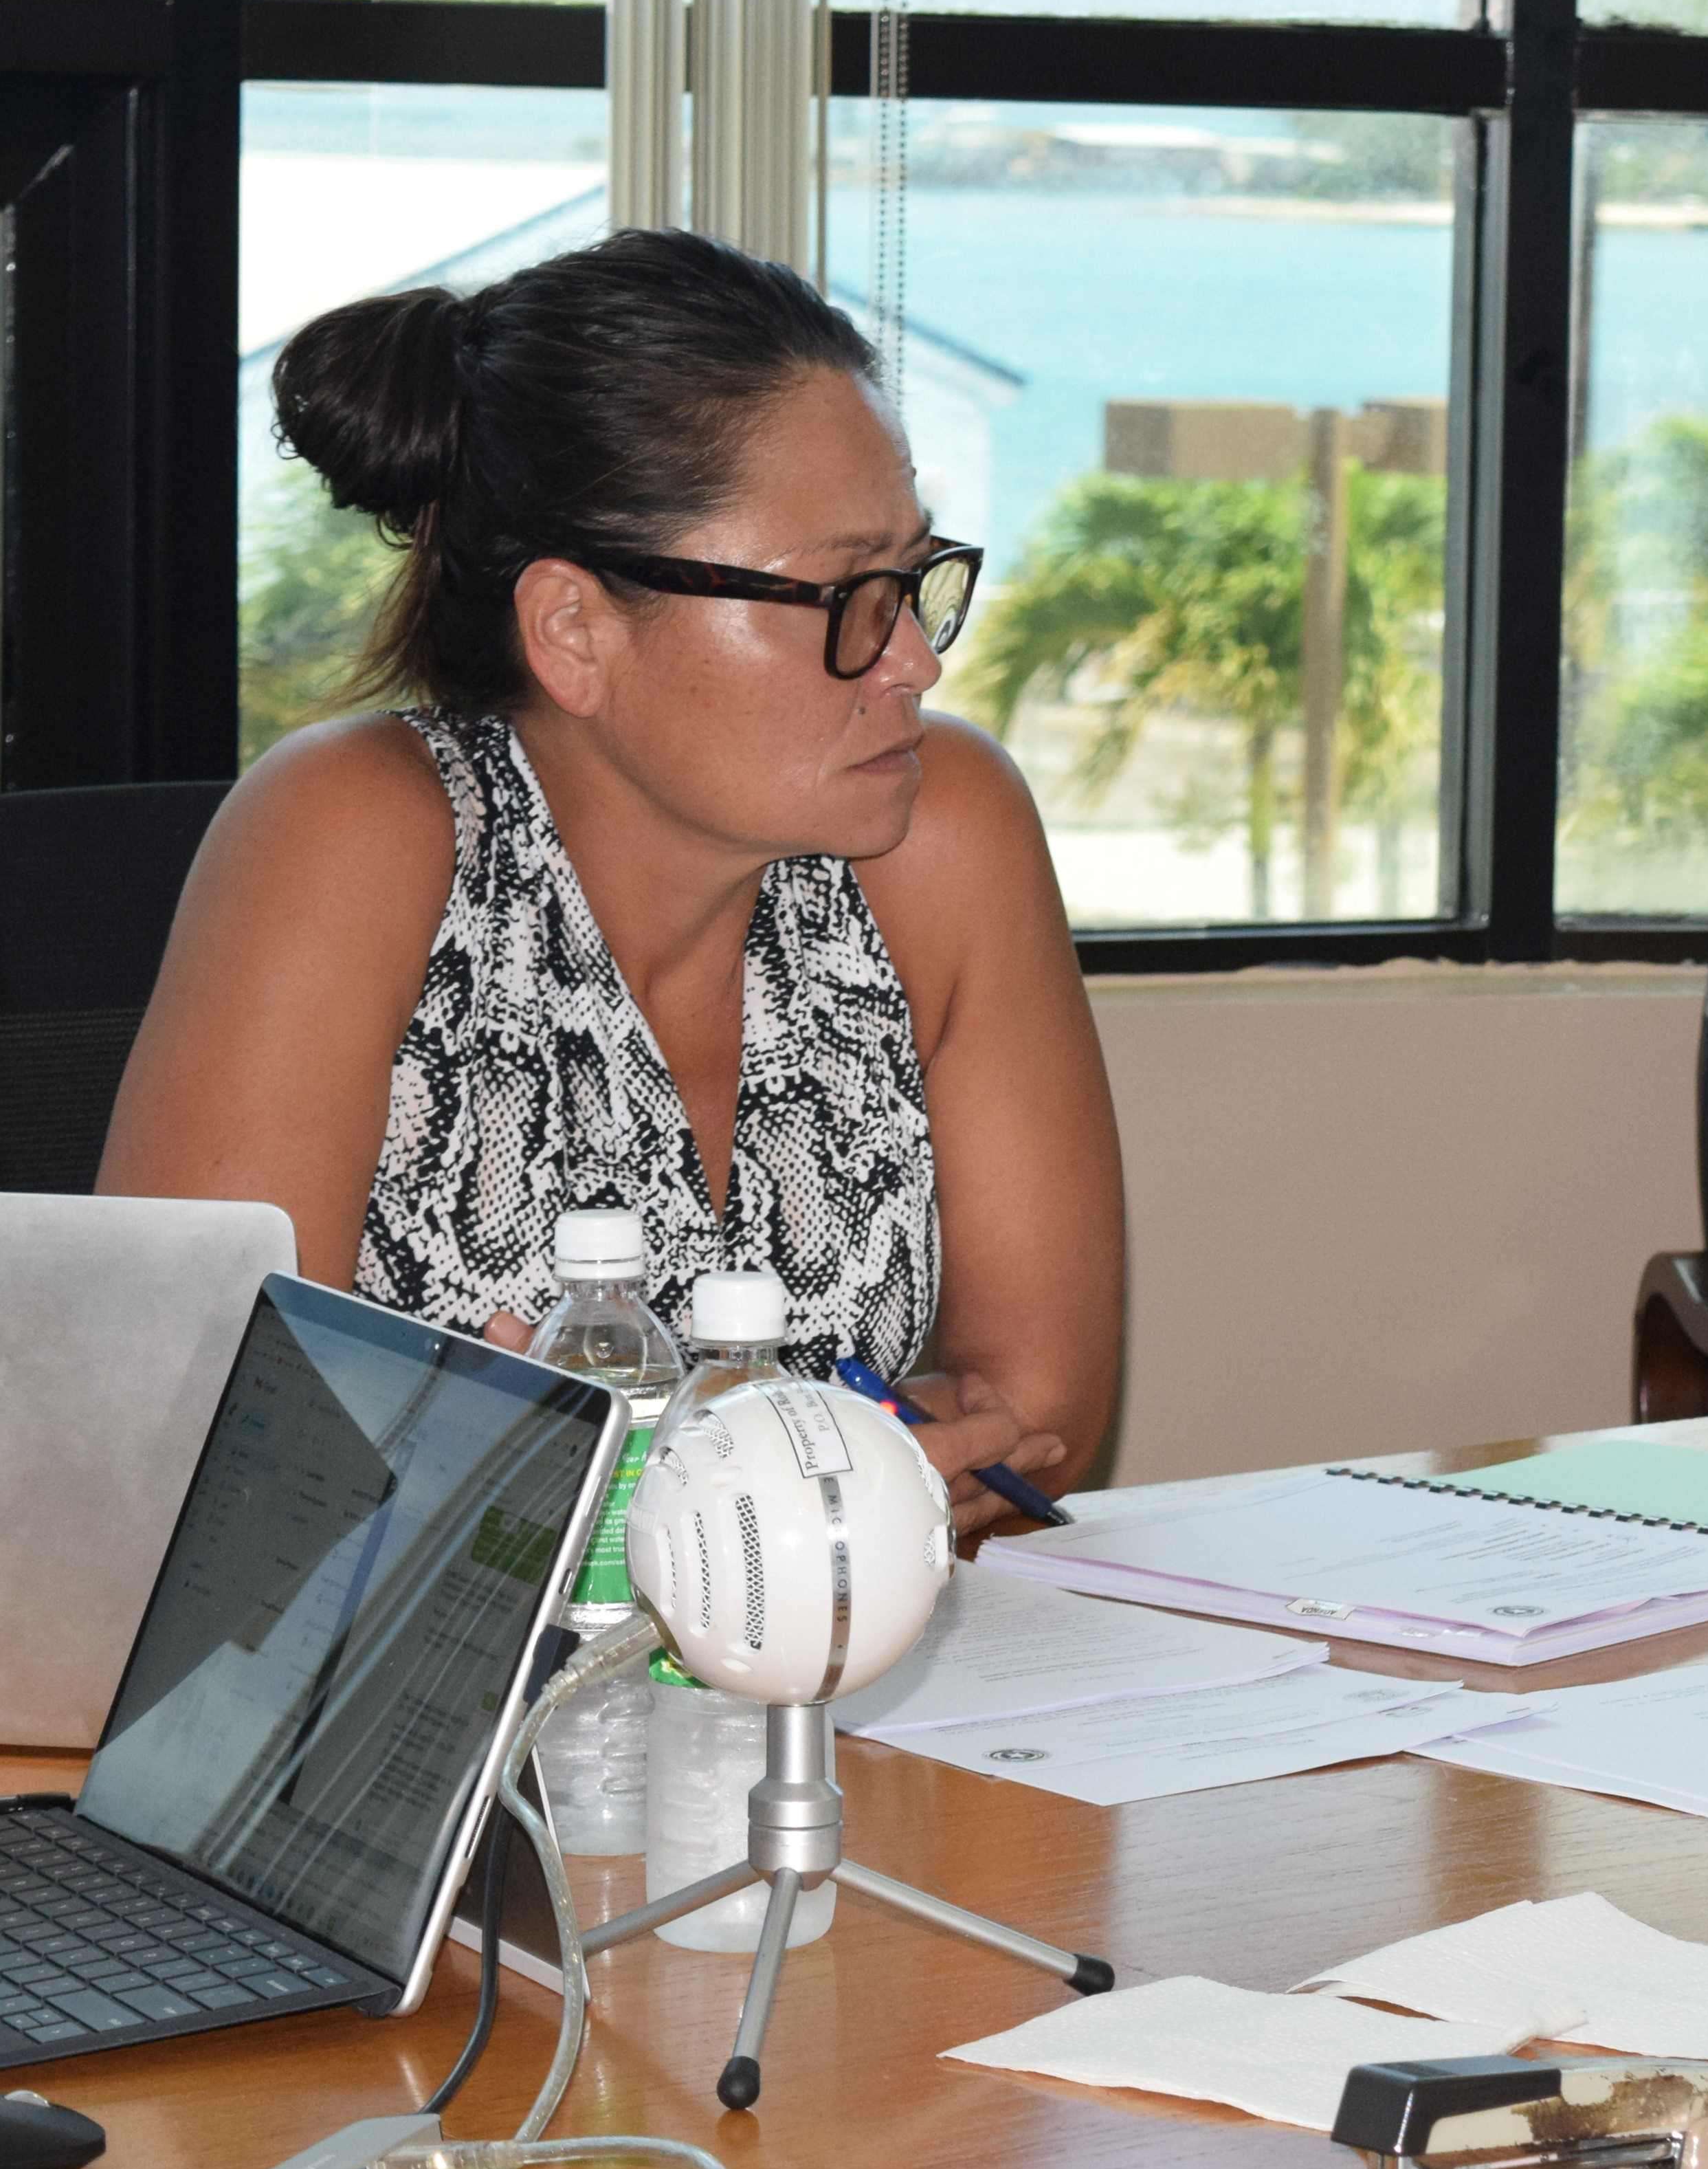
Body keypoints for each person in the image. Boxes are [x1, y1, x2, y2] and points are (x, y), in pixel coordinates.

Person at [103, 226, 1121, 1535]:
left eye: (915, 580)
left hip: (814, 1705)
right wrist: (807, 1489)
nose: (912, 661)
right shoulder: (357, 829)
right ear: (574, 630)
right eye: (844, 597)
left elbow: (1032, 1420)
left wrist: (606, 1491)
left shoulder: (940, 828)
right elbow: (199, 1449)